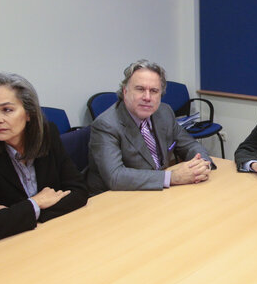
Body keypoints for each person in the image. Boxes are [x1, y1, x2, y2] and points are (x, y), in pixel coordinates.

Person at [0, 73, 88, 246]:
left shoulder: (48, 134)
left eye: (7, 110)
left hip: (51, 237)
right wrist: (35, 203)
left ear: (29, 113)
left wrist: (18, 214)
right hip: (6, 249)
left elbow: (79, 192)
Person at [87, 60, 213, 194]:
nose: (147, 97)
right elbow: (115, 176)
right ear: (125, 91)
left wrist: (202, 163)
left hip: (155, 191)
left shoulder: (164, 112)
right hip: (116, 198)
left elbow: (190, 145)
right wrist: (173, 177)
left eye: (154, 91)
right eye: (140, 89)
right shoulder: (106, 125)